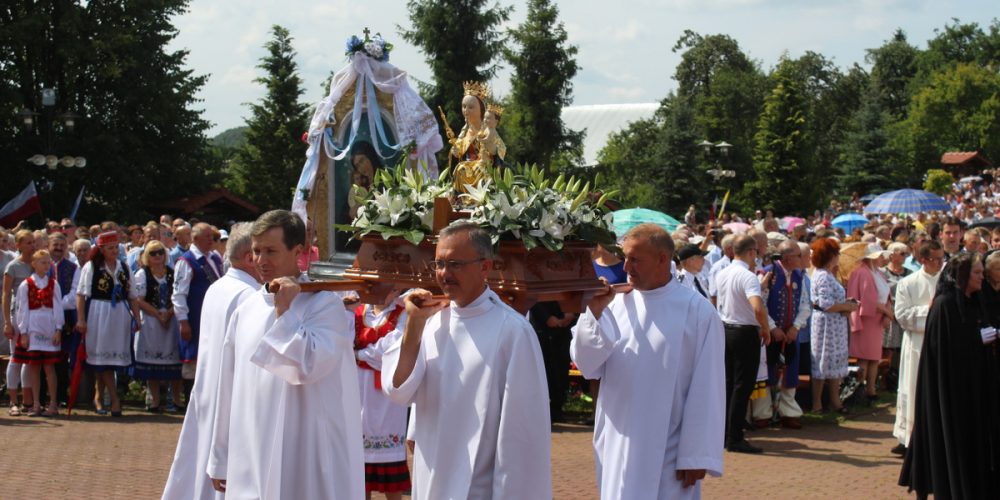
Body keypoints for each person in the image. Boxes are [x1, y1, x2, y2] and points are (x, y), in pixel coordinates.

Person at [381, 222, 551, 499]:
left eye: (455, 264)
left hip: (479, 486)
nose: (444, 274)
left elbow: (522, 436)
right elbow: (398, 389)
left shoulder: (513, 332)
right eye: (439, 264)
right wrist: (414, 323)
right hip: (432, 473)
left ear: (485, 267)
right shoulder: (431, 321)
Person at [207, 210, 362, 499]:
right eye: (256, 251)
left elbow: (307, 366)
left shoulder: (324, 305)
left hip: (306, 452)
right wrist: (219, 456)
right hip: (252, 446)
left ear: (299, 251)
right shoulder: (246, 308)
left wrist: (284, 313)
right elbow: (226, 386)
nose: (261, 261)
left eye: (271, 251)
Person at [571, 223, 724, 498]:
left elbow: (708, 384)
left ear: (663, 259)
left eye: (635, 259)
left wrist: (696, 454)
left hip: (671, 447)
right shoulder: (614, 304)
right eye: (625, 258)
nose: (626, 267)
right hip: (618, 442)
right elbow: (587, 365)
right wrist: (592, 313)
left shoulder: (698, 311)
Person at [163, 223, 260, 500]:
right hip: (231, 394)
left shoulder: (219, 286)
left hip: (209, 390)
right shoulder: (249, 296)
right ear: (249, 257)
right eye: (262, 252)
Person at [899, 253, 998, 498]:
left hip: (974, 385)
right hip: (951, 390)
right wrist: (976, 339)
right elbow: (944, 349)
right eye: (976, 273)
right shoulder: (944, 304)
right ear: (963, 275)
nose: (981, 277)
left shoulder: (973, 301)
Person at [716, 234, 773, 454]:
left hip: (727, 329)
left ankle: (725, 433)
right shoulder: (748, 276)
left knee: (729, 384)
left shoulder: (723, 273)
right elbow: (757, 307)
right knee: (742, 386)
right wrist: (766, 328)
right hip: (744, 332)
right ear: (751, 252)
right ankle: (735, 437)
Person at [354, 289, 412, 499]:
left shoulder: (403, 312)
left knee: (392, 480)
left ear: (394, 288)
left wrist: (359, 354)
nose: (371, 291)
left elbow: (390, 349)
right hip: (360, 390)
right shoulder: (356, 311)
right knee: (358, 473)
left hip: (387, 394)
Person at [891, 240, 944, 455]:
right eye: (936, 259)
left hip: (941, 344)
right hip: (916, 346)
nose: (941, 262)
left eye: (942, 258)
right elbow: (902, 316)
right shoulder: (908, 283)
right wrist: (930, 310)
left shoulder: (947, 281)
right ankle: (910, 438)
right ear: (923, 260)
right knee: (912, 389)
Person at [75, 231, 133, 417]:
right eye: (110, 248)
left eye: (116, 247)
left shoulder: (123, 266)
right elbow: (81, 295)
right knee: (101, 358)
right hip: (98, 313)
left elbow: (132, 295)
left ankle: (99, 395)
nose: (114, 251)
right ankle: (114, 398)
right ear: (101, 249)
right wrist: (81, 319)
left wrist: (136, 318)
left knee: (107, 360)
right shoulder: (92, 267)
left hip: (119, 315)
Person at [755, 240, 811, 429]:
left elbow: (805, 304)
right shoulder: (767, 274)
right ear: (787, 258)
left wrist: (795, 327)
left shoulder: (799, 276)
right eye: (798, 255)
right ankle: (762, 413)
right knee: (766, 372)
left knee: (790, 372)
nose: (801, 259)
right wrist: (772, 327)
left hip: (790, 334)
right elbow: (759, 304)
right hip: (769, 334)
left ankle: (789, 412)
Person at [173, 222, 224, 398]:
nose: (212, 240)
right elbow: (179, 294)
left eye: (213, 236)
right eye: (208, 236)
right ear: (195, 239)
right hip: (195, 318)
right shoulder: (186, 261)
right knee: (193, 361)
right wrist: (183, 321)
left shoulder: (215, 258)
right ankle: (190, 402)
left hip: (212, 318)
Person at [130, 240, 183, 411]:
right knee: (151, 362)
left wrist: (168, 313)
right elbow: (138, 299)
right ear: (147, 256)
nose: (158, 256)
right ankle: (154, 399)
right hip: (151, 320)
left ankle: (176, 399)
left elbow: (179, 295)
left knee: (173, 361)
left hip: (170, 319)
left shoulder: (172, 273)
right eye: (153, 253)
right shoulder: (141, 274)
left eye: (160, 252)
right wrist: (157, 314)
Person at [809, 238, 859, 413]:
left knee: (834, 361)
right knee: (822, 361)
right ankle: (817, 404)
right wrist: (848, 306)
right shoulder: (822, 275)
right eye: (836, 253)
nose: (839, 256)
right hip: (826, 325)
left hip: (834, 323)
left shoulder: (828, 274)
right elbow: (826, 304)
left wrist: (846, 304)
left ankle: (834, 400)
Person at [15, 249, 63, 417]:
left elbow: (58, 307)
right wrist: (24, 332)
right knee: (34, 367)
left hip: (49, 326)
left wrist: (58, 329)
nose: (46, 265)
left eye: (48, 262)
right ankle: (36, 403)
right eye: (43, 262)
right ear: (34, 264)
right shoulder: (26, 284)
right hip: (33, 326)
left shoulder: (54, 284)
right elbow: (22, 309)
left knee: (49, 367)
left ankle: (53, 403)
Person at [847, 243, 893, 402]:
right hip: (866, 318)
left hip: (877, 319)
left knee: (874, 356)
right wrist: (887, 312)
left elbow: (886, 296)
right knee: (864, 357)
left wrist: (887, 312)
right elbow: (865, 300)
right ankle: (859, 389)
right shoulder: (860, 272)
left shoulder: (878, 273)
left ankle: (871, 389)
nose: (882, 258)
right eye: (879, 255)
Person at [4, 229, 36, 415]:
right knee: (16, 358)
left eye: (33, 242)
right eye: (28, 242)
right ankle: (12, 401)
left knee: (29, 360)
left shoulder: (37, 264)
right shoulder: (13, 267)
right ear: (18, 245)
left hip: (35, 317)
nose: (32, 246)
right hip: (18, 315)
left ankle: (28, 401)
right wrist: (7, 322)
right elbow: (6, 295)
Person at [530, 300, 575, 423]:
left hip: (563, 331)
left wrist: (572, 313)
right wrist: (546, 317)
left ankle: (557, 409)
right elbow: (533, 296)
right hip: (541, 330)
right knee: (542, 371)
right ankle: (542, 411)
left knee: (560, 371)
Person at [49, 232, 80, 405]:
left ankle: (60, 395)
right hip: (42, 318)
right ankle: (43, 395)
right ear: (49, 245)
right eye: (55, 245)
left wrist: (57, 306)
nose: (58, 249)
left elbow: (74, 293)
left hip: (65, 317)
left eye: (62, 246)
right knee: (43, 357)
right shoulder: (41, 264)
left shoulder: (73, 267)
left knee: (61, 358)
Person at [881, 242, 911, 391]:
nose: (906, 257)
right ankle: (887, 378)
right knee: (889, 347)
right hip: (889, 312)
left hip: (904, 311)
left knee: (902, 346)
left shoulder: (910, 273)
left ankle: (900, 376)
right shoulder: (883, 273)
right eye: (902, 253)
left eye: (906, 253)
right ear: (892, 255)